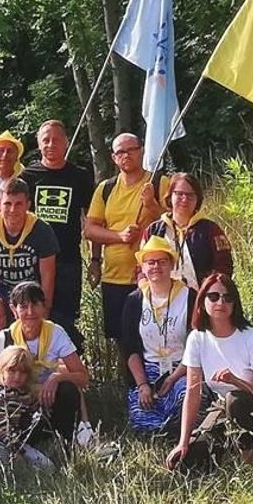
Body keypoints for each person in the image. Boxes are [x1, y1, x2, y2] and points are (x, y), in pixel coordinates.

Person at [168, 274, 253, 472]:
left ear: (235, 304)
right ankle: (226, 451)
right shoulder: (197, 338)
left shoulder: (252, 338)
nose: (221, 302)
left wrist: (237, 381)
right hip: (221, 412)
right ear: (202, 302)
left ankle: (252, 466)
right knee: (182, 463)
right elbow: (192, 393)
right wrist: (183, 441)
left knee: (234, 399)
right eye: (213, 296)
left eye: (228, 298)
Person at [84, 133, 169, 345]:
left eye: (131, 149)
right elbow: (90, 230)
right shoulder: (106, 188)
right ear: (114, 158)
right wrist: (119, 237)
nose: (126, 155)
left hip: (153, 277)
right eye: (120, 152)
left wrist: (151, 206)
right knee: (123, 339)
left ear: (141, 151)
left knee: (155, 337)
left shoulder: (158, 183)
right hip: (114, 279)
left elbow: (173, 225)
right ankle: (129, 380)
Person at [0, 281, 88, 447]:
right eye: (23, 306)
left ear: (44, 307)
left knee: (68, 389)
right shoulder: (5, 338)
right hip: (14, 405)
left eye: (35, 305)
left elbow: (83, 377)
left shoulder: (56, 333)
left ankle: (66, 442)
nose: (30, 312)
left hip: (46, 402)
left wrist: (56, 378)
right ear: (13, 310)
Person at [21, 120, 94, 339]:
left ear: (66, 143)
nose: (51, 144)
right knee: (31, 318)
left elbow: (94, 219)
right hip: (32, 262)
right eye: (46, 140)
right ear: (38, 143)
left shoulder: (80, 177)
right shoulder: (27, 177)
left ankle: (66, 370)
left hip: (68, 261)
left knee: (65, 322)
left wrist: (96, 259)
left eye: (56, 140)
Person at [121, 237, 189, 436]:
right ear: (142, 266)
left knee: (183, 398)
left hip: (181, 369)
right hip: (148, 370)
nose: (156, 267)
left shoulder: (190, 296)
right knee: (141, 415)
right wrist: (142, 385)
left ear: (172, 264)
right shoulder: (134, 301)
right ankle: (163, 431)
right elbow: (130, 348)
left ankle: (179, 431)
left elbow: (197, 347)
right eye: (150, 262)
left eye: (162, 261)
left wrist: (174, 377)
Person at [0, 179, 59, 314]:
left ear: (28, 205)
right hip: (0, 294)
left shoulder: (42, 230)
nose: (13, 210)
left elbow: (48, 277)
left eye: (19, 204)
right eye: (7, 203)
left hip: (31, 294)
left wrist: (44, 312)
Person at [142, 172, 233, 296]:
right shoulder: (154, 231)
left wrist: (207, 291)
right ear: (170, 196)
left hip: (199, 303)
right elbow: (140, 267)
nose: (184, 199)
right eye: (179, 194)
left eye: (190, 195)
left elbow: (224, 267)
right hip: (162, 303)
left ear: (197, 199)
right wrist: (145, 288)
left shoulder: (211, 230)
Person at [0, 347, 55, 472]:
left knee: (49, 468)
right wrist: (16, 450)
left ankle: (17, 468)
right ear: (2, 370)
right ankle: (12, 467)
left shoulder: (24, 394)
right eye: (12, 371)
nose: (17, 376)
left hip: (18, 443)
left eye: (22, 372)